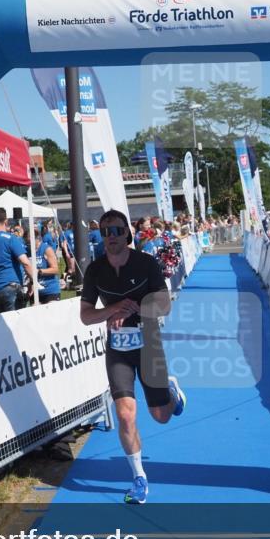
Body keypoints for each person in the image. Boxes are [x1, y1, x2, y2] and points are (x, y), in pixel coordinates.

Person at [79, 209, 187, 504]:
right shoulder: (95, 270)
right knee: (125, 415)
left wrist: (134, 307)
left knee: (161, 416)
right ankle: (139, 478)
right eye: (105, 232)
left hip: (148, 342)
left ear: (127, 233)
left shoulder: (145, 263)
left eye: (116, 230)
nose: (111, 237)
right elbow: (86, 316)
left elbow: (165, 305)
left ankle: (171, 393)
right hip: (117, 349)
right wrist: (112, 311)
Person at [35, 222, 62, 304]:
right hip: (36, 292)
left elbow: (56, 269)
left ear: (37, 238)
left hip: (50, 291)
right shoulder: (28, 251)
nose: (28, 243)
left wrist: (39, 271)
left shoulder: (46, 248)